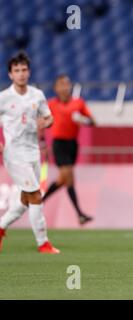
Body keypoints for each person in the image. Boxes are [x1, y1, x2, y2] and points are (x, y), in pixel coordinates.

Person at [0, 52, 60, 254]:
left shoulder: (37, 95)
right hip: (14, 154)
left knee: (27, 199)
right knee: (35, 195)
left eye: (24, 70)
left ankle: (1, 227)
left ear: (29, 72)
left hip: (33, 152)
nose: (21, 74)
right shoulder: (4, 98)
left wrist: (46, 122)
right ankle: (43, 243)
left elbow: (48, 117)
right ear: (10, 74)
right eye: (16, 70)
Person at [42, 74, 95, 225]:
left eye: (66, 84)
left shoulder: (78, 103)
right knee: (68, 175)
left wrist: (83, 119)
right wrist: (43, 143)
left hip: (72, 144)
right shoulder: (50, 104)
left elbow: (93, 122)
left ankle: (40, 202)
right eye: (61, 85)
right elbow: (41, 122)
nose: (64, 87)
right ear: (55, 88)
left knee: (63, 179)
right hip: (59, 144)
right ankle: (79, 214)